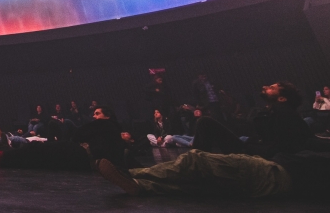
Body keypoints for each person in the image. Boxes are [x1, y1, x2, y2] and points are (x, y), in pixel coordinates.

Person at [95, 149, 330, 198]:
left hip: (271, 171)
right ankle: (139, 185)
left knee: (195, 160)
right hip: (273, 187)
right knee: (199, 186)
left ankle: (129, 172)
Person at [192, 82, 313, 158]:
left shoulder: (283, 113)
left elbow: (283, 146)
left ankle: (195, 164)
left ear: (282, 98)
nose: (265, 87)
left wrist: (250, 149)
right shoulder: (273, 111)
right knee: (205, 122)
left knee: (205, 123)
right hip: (249, 149)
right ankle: (195, 161)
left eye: (271, 88)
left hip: (252, 154)